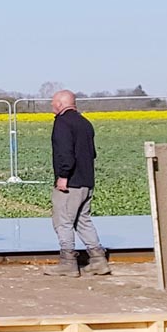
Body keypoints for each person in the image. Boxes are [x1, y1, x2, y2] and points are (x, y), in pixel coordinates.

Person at [47, 90, 109, 276]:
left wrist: (63, 175)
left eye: (53, 103)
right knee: (83, 220)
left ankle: (68, 262)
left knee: (63, 221)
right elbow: (92, 153)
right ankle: (98, 260)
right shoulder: (84, 123)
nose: (52, 106)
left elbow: (65, 152)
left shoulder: (63, 122)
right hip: (87, 181)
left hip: (71, 183)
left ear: (60, 103)